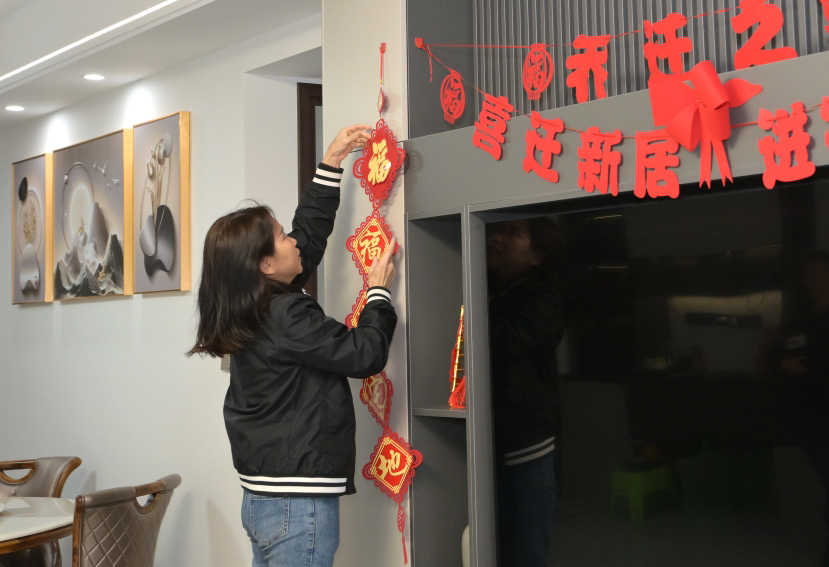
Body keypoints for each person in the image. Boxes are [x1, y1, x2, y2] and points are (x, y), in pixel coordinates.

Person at [188, 125, 398, 567]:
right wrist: (378, 293)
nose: (293, 241)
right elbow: (364, 353)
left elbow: (308, 239)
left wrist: (332, 161)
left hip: (263, 495)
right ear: (266, 264)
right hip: (296, 504)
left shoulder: (251, 304)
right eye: (282, 236)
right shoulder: (285, 314)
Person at [486, 217, 567, 567]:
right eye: (499, 230)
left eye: (513, 234)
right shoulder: (490, 287)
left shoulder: (543, 298)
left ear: (537, 256)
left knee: (524, 551)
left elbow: (503, 341)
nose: (497, 238)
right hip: (487, 444)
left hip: (525, 447)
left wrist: (457, 317)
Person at [780, 251, 829, 566]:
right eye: (807, 273)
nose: (811, 279)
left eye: (817, 272)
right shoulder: (801, 318)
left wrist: (805, 365)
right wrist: (782, 363)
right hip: (807, 412)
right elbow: (778, 351)